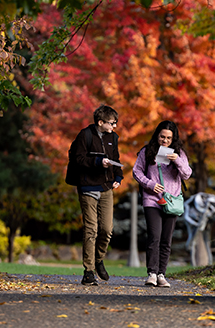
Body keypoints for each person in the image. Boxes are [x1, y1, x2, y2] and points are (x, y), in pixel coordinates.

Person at [133, 120, 192, 288]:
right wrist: (150, 184)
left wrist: (177, 160)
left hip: (171, 201)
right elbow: (136, 171)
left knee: (166, 239)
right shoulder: (147, 151)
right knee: (155, 236)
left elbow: (187, 174)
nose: (164, 141)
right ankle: (152, 273)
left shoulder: (179, 153)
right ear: (157, 135)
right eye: (162, 137)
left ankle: (161, 274)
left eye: (168, 138)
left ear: (173, 139)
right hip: (152, 199)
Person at [73, 105, 123, 286]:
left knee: (107, 229)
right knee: (91, 229)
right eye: (111, 123)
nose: (114, 127)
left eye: (115, 123)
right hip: (87, 187)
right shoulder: (84, 136)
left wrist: (118, 176)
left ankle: (98, 259)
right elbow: (77, 159)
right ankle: (88, 272)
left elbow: (116, 158)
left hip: (106, 187)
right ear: (100, 122)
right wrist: (96, 162)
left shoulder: (113, 138)